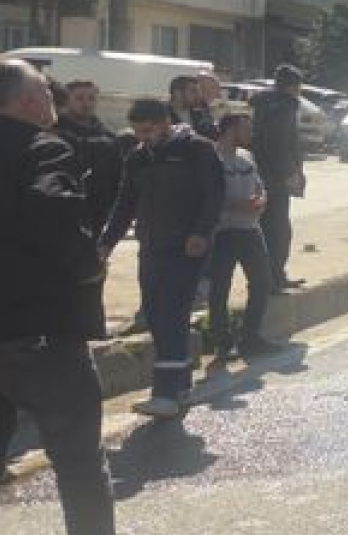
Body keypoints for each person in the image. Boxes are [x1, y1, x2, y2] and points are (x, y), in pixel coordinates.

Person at [0, 60, 174, 535]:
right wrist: (87, 261)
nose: (51, 96)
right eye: (42, 89)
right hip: (36, 335)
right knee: (80, 465)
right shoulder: (42, 150)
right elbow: (54, 217)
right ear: (22, 102)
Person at [100, 99, 224, 419]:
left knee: (171, 312)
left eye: (149, 130)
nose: (144, 137)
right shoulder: (138, 158)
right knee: (156, 315)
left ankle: (165, 393)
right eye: (139, 131)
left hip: (188, 248)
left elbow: (214, 195)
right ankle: (180, 383)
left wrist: (201, 232)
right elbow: (124, 204)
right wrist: (105, 245)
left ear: (165, 122)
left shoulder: (196, 150)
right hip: (153, 247)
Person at [203, 113, 283, 361]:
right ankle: (221, 342)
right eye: (246, 128)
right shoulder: (210, 159)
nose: (251, 133)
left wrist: (260, 201)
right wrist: (235, 206)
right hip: (223, 232)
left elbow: (260, 188)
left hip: (250, 230)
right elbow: (206, 197)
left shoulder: (246, 157)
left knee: (262, 282)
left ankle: (250, 336)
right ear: (229, 130)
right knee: (219, 289)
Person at [249, 64, 308, 290]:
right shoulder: (285, 107)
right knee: (279, 231)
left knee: (266, 229)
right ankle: (274, 277)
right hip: (276, 180)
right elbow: (280, 145)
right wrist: (291, 174)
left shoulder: (262, 104)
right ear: (293, 87)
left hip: (259, 175)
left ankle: (267, 277)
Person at [54, 80, 124, 235]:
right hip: (64, 213)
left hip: (98, 215)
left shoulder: (109, 138)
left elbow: (118, 178)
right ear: (67, 100)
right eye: (79, 98)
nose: (86, 103)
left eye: (91, 98)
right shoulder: (55, 134)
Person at [168, 74, 216, 140]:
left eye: (199, 91)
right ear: (178, 93)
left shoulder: (201, 114)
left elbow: (213, 136)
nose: (198, 95)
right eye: (193, 91)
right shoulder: (162, 113)